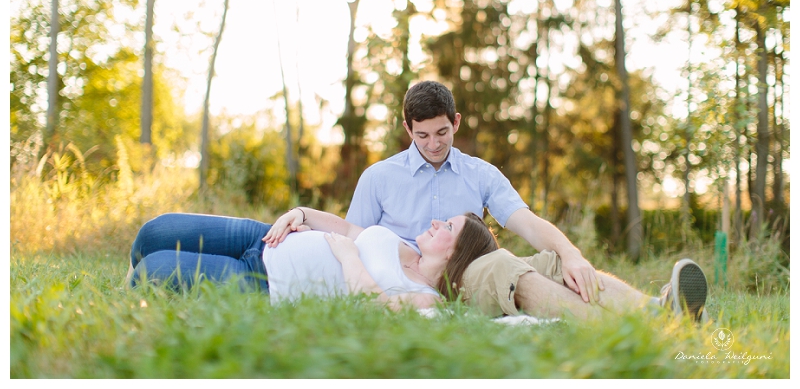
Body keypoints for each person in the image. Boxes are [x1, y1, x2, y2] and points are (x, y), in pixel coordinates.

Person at [339, 80, 708, 322]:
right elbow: (351, 237)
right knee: (504, 267)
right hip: (428, 285)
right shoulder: (379, 178)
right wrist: (304, 216)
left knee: (549, 261)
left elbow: (526, 222)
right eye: (422, 135)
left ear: (456, 122)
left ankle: (658, 311)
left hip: (474, 267)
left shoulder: (479, 172)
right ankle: (618, 329)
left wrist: (571, 255)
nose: (433, 144)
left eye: (442, 132)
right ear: (407, 129)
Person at [128, 207, 499, 309]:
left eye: (448, 225)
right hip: (265, 235)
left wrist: (350, 257)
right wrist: (300, 215)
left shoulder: (424, 299)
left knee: (152, 271)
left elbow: (374, 303)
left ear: (456, 252)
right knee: (153, 233)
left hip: (261, 282)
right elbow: (349, 228)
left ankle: (129, 285)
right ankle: (127, 275)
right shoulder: (408, 248)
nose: (437, 222)